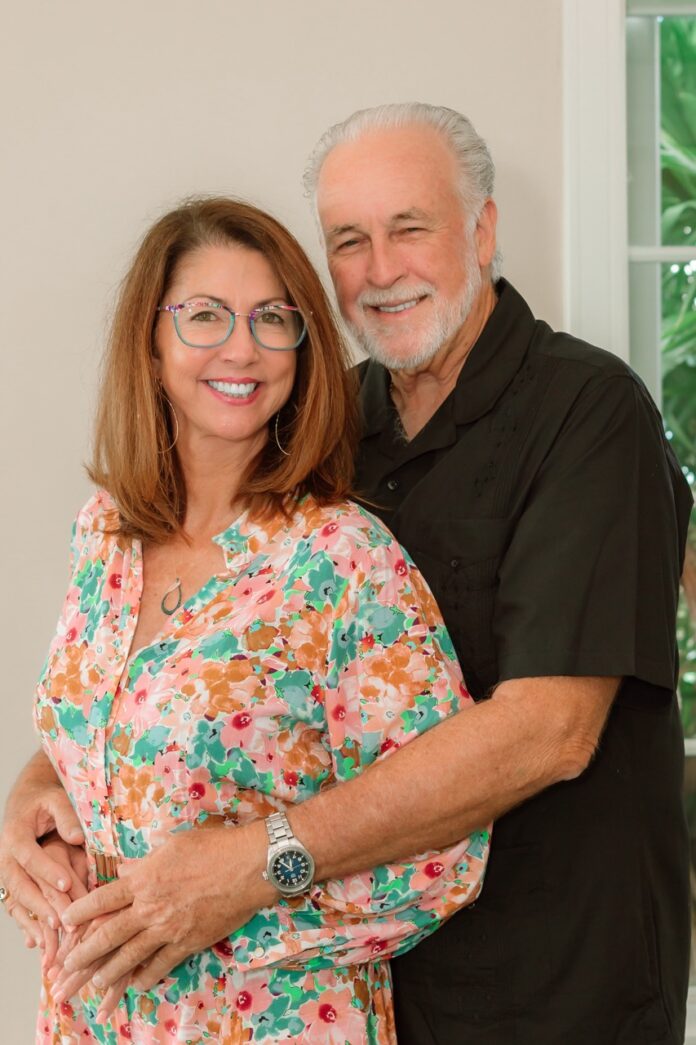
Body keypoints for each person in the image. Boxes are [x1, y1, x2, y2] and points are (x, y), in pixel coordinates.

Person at [2, 102, 692, 1043]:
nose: (380, 268)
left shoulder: (589, 412)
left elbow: (551, 729)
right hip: (366, 979)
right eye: (349, 240)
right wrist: (45, 784)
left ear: (483, 229)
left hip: (553, 974)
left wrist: (255, 862)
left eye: (411, 228)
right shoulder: (324, 433)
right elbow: (197, 684)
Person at [0, 195, 489, 1043]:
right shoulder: (105, 533)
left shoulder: (341, 559)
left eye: (273, 318)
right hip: (94, 1018)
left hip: (268, 1020)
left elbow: (447, 852)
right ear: (150, 344)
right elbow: (111, 742)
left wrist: (227, 904)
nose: (243, 346)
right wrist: (33, 810)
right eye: (205, 315)